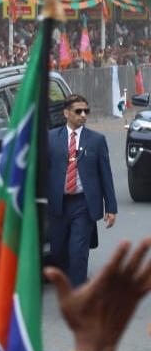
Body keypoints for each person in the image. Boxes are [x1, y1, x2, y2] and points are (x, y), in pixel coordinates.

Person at [46, 94, 118, 287]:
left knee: (78, 251)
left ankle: (78, 292)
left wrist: (111, 208)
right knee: (59, 251)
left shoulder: (96, 140)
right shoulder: (51, 139)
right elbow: (41, 171)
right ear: (66, 113)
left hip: (83, 204)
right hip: (58, 204)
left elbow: (106, 174)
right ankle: (70, 280)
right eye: (78, 111)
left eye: (86, 111)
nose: (83, 115)